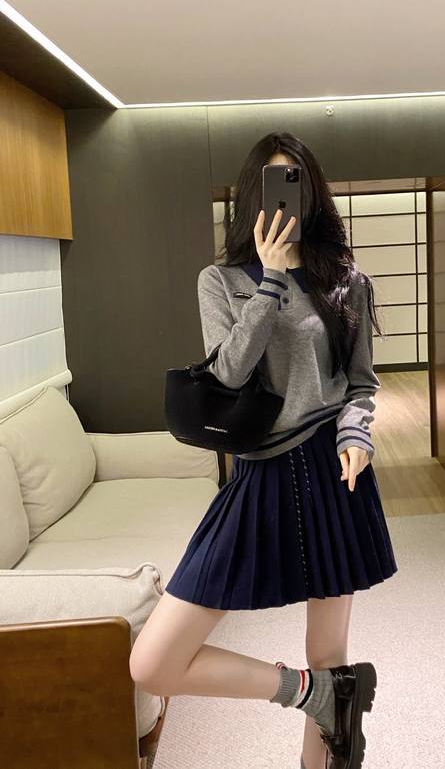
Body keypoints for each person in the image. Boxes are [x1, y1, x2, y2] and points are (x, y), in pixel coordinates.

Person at [129, 132, 398, 769]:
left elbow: (360, 384)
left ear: (314, 193)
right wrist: (271, 279)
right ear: (252, 195)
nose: (287, 197)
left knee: (328, 653)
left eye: (297, 182)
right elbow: (228, 373)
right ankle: (308, 694)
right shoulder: (220, 281)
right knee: (154, 662)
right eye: (275, 183)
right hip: (261, 475)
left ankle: (323, 728)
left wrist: (356, 433)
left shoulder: (346, 282)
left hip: (333, 473)